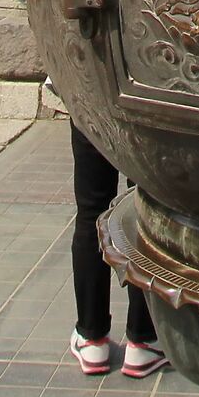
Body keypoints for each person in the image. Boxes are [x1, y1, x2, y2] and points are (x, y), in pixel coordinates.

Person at [69, 124, 166, 378]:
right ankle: (144, 339)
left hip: (90, 99)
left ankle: (92, 338)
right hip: (144, 103)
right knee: (145, 208)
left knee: (91, 211)